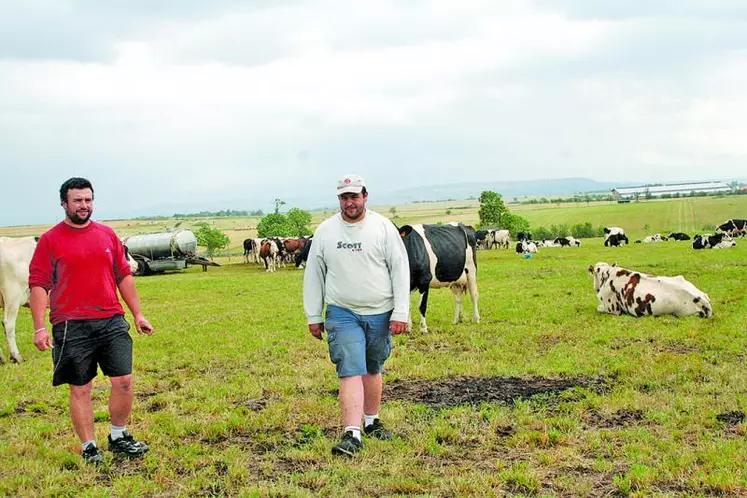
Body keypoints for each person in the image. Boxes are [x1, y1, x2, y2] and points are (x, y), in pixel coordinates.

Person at [29, 177, 155, 465]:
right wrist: (39, 327)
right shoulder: (51, 240)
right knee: (81, 387)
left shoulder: (107, 235)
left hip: (111, 319)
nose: (84, 205)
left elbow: (123, 275)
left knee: (123, 381)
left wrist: (137, 313)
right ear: (64, 203)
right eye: (77, 200)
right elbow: (38, 284)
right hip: (71, 325)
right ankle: (89, 447)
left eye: (88, 200)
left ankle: (118, 435)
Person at [303, 173, 410, 456]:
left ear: (365, 196)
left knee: (373, 367)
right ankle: (352, 433)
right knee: (349, 368)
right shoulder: (326, 231)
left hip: (380, 311)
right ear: (339, 199)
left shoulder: (383, 227)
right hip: (341, 310)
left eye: (354, 196)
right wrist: (314, 315)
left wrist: (401, 311)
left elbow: (400, 269)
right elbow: (314, 274)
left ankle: (372, 420)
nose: (349, 202)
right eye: (344, 197)